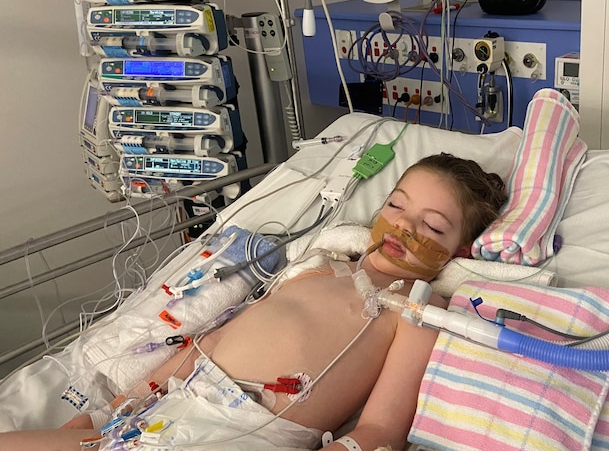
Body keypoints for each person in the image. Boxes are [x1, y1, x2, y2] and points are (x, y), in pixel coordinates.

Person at [0, 153, 507, 451]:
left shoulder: (417, 307)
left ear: (462, 250)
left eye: (433, 226)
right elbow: (208, 343)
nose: (403, 225)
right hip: (167, 406)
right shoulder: (319, 265)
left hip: (243, 431)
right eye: (397, 204)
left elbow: (382, 428)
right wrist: (108, 412)